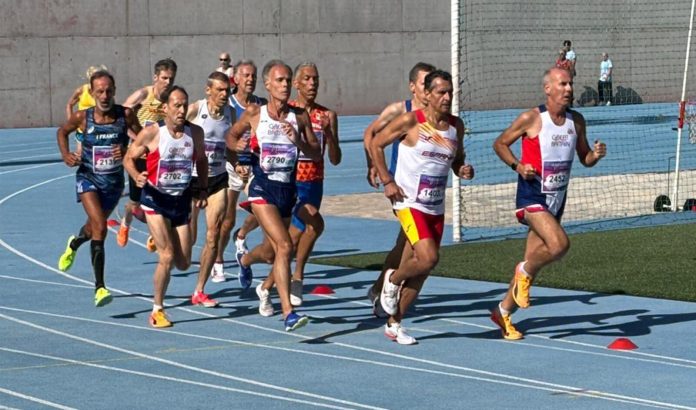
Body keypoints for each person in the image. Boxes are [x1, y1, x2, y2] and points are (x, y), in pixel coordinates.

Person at [490, 67, 607, 340]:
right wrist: (518, 166)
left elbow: (585, 158)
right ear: (548, 89)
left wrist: (596, 155)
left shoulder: (576, 121)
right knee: (559, 245)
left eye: (570, 84)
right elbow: (500, 144)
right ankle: (523, 272)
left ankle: (502, 313)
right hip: (531, 197)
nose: (569, 89)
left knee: (533, 262)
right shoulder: (531, 118)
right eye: (563, 84)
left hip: (556, 201)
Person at [369, 70, 474, 345]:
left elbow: (456, 159)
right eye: (441, 92)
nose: (447, 97)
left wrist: (461, 169)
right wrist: (387, 180)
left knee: (422, 268)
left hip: (434, 206)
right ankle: (392, 280)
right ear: (427, 94)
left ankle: (394, 324)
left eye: (450, 92)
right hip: (408, 202)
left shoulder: (456, 126)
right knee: (428, 257)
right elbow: (376, 143)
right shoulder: (411, 121)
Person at [226, 60, 321, 331]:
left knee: (270, 253)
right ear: (267, 84)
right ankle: (288, 313)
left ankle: (245, 260)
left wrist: (298, 141)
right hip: (262, 187)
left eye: (288, 80)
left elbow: (316, 153)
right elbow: (231, 138)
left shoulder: (299, 117)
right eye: (279, 80)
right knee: (285, 246)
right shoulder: (255, 113)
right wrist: (239, 155)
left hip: (287, 191)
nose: (285, 85)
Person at [254, 61, 341, 308]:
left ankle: (267, 285)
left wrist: (330, 134)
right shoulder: (287, 111)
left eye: (316, 79)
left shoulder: (327, 115)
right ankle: (295, 278)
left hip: (314, 183)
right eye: (307, 79)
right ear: (296, 83)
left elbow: (335, 159)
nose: (312, 84)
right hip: (292, 182)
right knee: (300, 234)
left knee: (302, 235)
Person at [124, 86, 208, 328]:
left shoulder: (195, 133)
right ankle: (157, 310)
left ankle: (158, 236)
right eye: (176, 106)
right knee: (167, 257)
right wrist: (136, 176)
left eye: (184, 105)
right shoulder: (153, 133)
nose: (181, 110)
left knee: (183, 263)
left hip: (180, 199)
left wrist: (203, 189)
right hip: (155, 199)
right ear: (165, 108)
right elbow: (129, 158)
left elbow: (202, 160)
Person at [57, 71, 141, 307]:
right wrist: (66, 154)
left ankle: (74, 244)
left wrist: (126, 152)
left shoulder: (125, 115)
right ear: (92, 93)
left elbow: (143, 140)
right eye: (100, 92)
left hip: (113, 184)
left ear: (114, 91)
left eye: (108, 91)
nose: (104, 96)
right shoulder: (82, 117)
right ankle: (100, 288)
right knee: (101, 228)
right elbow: (62, 131)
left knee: (92, 228)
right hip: (88, 179)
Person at [363, 62, 436, 317]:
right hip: (401, 188)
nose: (429, 89)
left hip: (424, 192)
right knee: (410, 242)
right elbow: (371, 134)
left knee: (404, 242)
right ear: (413, 86)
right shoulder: (400, 111)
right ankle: (390, 292)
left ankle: (382, 288)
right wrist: (374, 166)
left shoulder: (436, 113)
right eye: (425, 83)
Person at [213, 60, 267, 282]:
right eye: (246, 75)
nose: (250, 79)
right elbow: (222, 136)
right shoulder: (228, 104)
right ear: (235, 79)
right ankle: (218, 261)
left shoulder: (262, 104)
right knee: (227, 219)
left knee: (265, 210)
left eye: (253, 75)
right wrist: (235, 161)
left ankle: (241, 235)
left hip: (255, 164)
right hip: (231, 164)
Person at [185, 72, 236, 306]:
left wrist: (237, 163)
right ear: (208, 90)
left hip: (217, 179)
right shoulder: (195, 110)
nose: (224, 94)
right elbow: (171, 131)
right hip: (191, 180)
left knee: (213, 235)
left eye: (227, 90)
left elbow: (231, 146)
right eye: (220, 90)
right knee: (188, 242)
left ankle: (199, 290)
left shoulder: (231, 114)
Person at [117, 58, 178, 248]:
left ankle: (155, 235)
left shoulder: (172, 99)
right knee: (135, 202)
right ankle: (125, 224)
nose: (168, 82)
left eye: (171, 78)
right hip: (139, 156)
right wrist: (136, 138)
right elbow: (121, 117)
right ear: (155, 77)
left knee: (161, 199)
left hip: (160, 157)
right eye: (164, 78)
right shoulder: (144, 94)